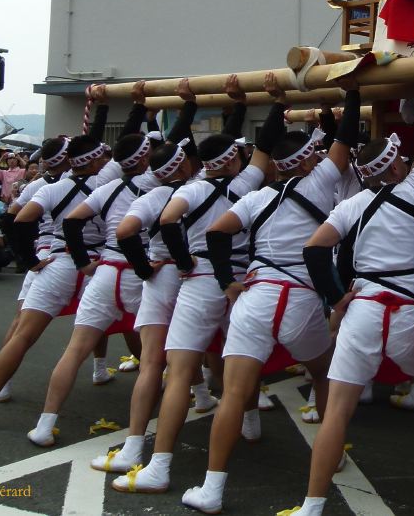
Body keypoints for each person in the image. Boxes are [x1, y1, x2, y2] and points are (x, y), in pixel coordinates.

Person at [288, 61, 414, 516]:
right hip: (406, 309)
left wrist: (334, 297)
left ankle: (310, 505)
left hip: (362, 307)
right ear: (397, 165)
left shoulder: (352, 204)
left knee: (338, 411)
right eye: (404, 159)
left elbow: (313, 250)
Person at [181, 96, 358, 516]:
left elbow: (217, 234)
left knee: (234, 393)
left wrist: (227, 281)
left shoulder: (255, 198)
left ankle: (211, 488)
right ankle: (331, 454)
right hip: (298, 298)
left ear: (277, 165)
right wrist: (352, 93)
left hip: (254, 296)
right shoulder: (319, 180)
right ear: (308, 160)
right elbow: (347, 139)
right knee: (322, 372)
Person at [111, 83, 290, 494]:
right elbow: (262, 147)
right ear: (234, 161)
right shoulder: (246, 184)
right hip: (245, 281)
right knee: (235, 360)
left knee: (179, 374)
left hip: (200, 279)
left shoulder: (187, 189)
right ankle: (249, 421)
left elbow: (171, 220)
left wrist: (184, 260)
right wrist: (276, 102)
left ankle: (159, 465)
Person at [0, 131, 113, 429]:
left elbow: (16, 219)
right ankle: (188, 388)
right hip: (100, 265)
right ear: (93, 161)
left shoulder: (48, 188)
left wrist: (30, 261)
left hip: (56, 262)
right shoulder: (108, 184)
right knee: (120, 334)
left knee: (22, 335)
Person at [22, 128, 159, 446]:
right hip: (139, 275)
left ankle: (45, 424)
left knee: (74, 350)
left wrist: (84, 261)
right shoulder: (158, 184)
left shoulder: (106, 188)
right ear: (145, 158)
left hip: (104, 272)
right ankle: (194, 397)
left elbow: (71, 222)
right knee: (153, 357)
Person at [103, 96, 201, 472]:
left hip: (160, 280)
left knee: (151, 364)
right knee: (208, 354)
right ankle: (243, 417)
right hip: (196, 278)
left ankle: (132, 445)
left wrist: (144, 268)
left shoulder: (154, 192)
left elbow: (126, 232)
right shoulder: (207, 188)